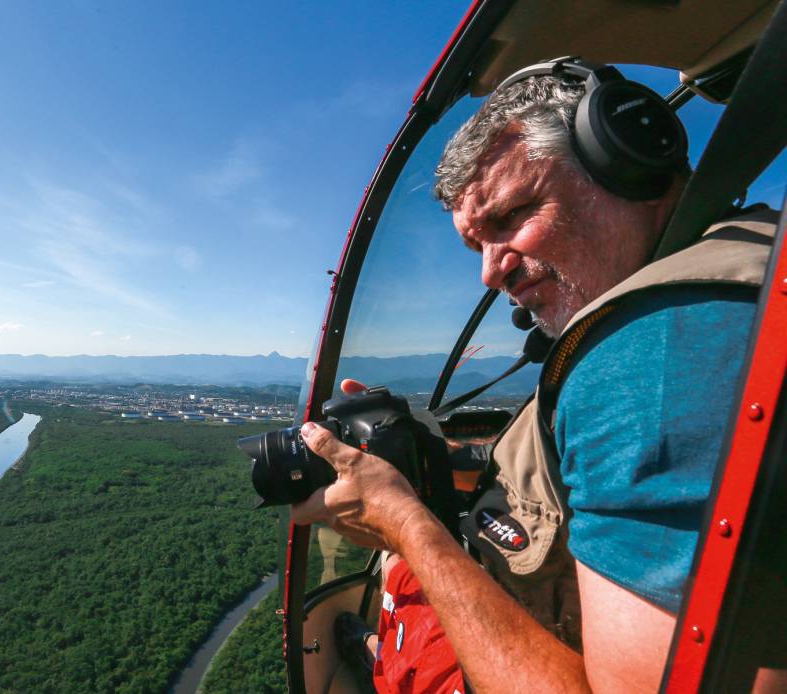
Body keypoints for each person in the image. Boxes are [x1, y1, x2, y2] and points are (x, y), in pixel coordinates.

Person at [293, 58, 777, 692]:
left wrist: (405, 525)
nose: (490, 274)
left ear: (626, 160)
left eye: (512, 215)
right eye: (476, 246)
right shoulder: (736, 265)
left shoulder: (653, 352)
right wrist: (430, 461)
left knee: (408, 576)